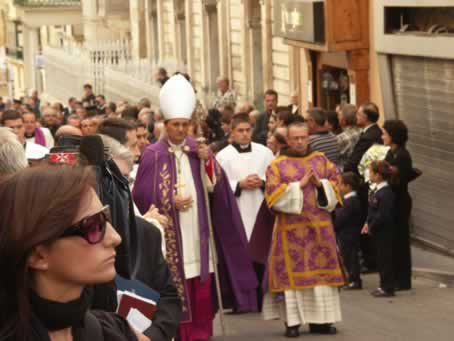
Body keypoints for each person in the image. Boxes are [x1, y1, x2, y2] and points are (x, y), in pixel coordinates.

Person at [133, 75, 258, 341]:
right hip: (172, 236)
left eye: (185, 124)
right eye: (176, 125)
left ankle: (201, 334)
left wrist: (208, 161)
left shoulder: (198, 150)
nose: (181, 130)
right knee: (175, 286)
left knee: (200, 285)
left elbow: (217, 188)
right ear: (165, 125)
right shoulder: (153, 154)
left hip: (197, 234)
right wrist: (169, 202)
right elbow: (142, 194)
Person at [0, 166, 148, 341]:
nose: (115, 238)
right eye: (93, 226)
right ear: (38, 256)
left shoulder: (116, 332)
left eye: (105, 218)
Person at [263, 122, 343, 337]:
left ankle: (322, 322)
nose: (300, 142)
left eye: (303, 137)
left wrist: (320, 185)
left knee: (321, 278)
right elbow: (272, 197)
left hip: (320, 230)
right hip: (290, 232)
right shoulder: (276, 165)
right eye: (295, 138)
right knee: (293, 281)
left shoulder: (321, 160)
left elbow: (337, 184)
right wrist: (298, 185)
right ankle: (293, 323)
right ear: (287, 140)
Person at [216, 113, 275, 241]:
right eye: (240, 130)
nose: (245, 134)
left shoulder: (265, 152)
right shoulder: (222, 156)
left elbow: (275, 178)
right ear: (232, 133)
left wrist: (262, 182)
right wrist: (239, 184)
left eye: (248, 130)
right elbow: (218, 185)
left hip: (260, 204)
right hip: (237, 207)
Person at [383, 120, 414, 291]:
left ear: (393, 136)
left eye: (385, 133)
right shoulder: (391, 152)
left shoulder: (402, 155)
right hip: (391, 200)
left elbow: (398, 179)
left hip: (399, 201)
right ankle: (394, 276)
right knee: (392, 240)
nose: (383, 136)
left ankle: (402, 280)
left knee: (400, 240)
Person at [361, 160, 396, 297]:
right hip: (378, 230)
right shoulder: (378, 190)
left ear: (378, 175)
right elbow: (372, 210)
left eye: (370, 172)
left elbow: (382, 214)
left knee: (385, 259)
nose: (369, 174)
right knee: (381, 259)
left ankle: (387, 287)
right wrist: (366, 223)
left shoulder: (385, 193)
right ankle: (383, 286)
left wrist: (371, 226)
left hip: (384, 232)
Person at [334, 172, 363, 290]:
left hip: (349, 234)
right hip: (347, 233)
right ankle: (351, 279)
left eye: (341, 184)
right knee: (348, 256)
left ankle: (354, 280)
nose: (339, 186)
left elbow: (342, 218)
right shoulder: (348, 199)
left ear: (348, 186)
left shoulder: (351, 201)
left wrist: (333, 226)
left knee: (350, 257)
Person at [344, 102, 383, 173]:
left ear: (365, 117)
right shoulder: (378, 131)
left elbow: (353, 162)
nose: (356, 116)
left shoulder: (367, 137)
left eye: (358, 114)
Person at [337, 104, 361, 170]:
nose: (338, 117)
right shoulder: (363, 131)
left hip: (345, 171)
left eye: (339, 115)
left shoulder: (341, 138)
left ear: (344, 120)